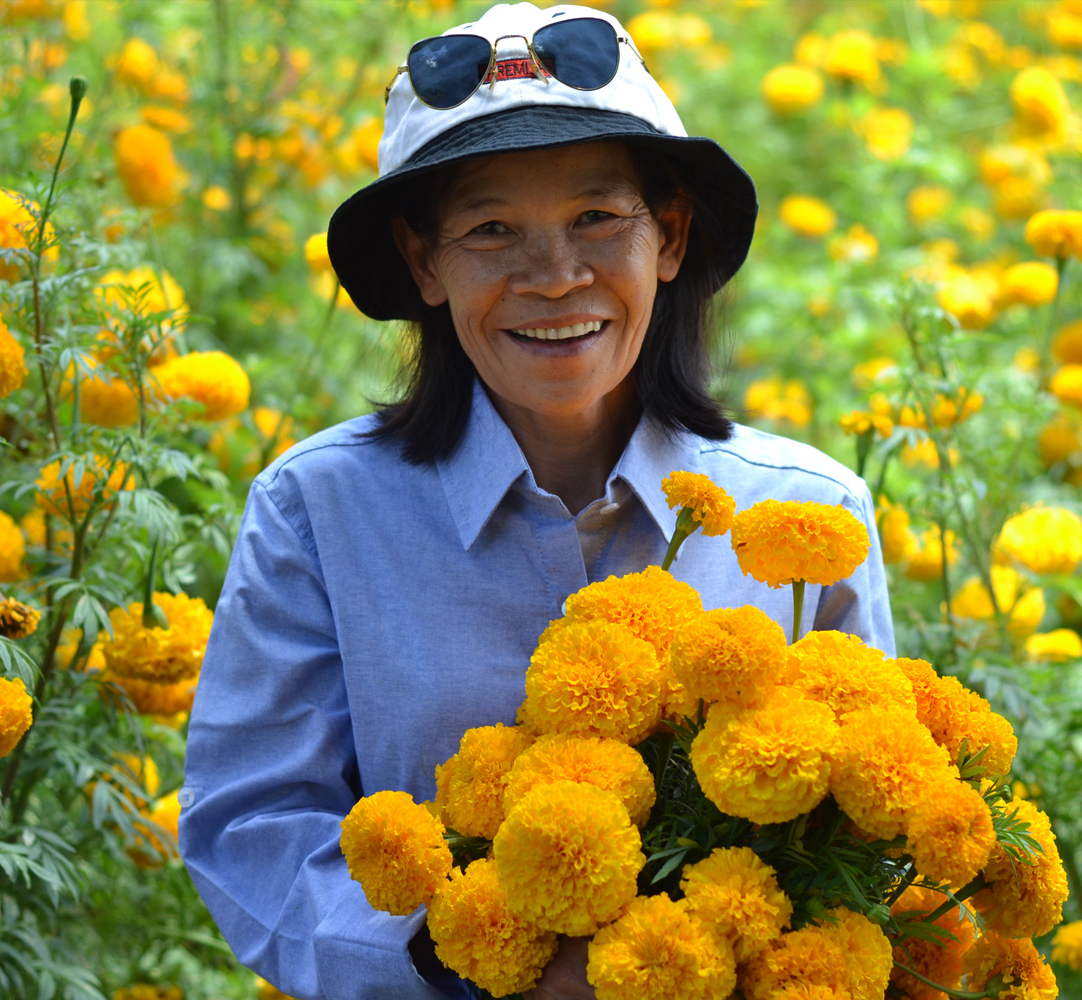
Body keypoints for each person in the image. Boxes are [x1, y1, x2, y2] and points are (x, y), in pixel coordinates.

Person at [178, 4, 895, 999]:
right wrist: (470, 958)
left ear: (670, 236)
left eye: (598, 219)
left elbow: (875, 835)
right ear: (424, 262)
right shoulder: (318, 513)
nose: (555, 278)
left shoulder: (814, 515)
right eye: (491, 230)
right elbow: (251, 830)